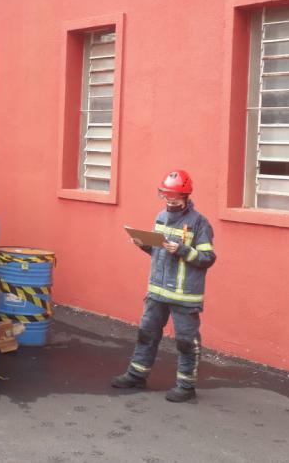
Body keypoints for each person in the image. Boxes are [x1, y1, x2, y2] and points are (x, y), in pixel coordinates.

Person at [111, 170, 217, 403]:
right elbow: (157, 250)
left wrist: (181, 249)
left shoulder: (200, 223)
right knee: (146, 334)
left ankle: (186, 387)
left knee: (186, 341)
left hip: (184, 295)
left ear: (186, 196)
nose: (169, 201)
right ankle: (137, 374)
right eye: (166, 196)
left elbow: (208, 258)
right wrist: (143, 244)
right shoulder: (161, 217)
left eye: (174, 197)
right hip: (157, 291)